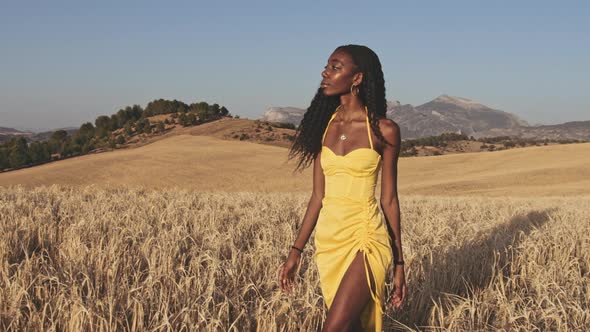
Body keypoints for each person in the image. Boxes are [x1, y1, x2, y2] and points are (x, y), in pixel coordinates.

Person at [278, 44, 407, 331]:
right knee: (351, 327)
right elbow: (317, 198)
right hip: (329, 241)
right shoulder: (323, 126)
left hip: (365, 237)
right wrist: (295, 251)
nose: (325, 72)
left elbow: (389, 201)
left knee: (333, 327)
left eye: (336, 67)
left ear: (357, 78)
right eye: (327, 66)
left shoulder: (384, 130)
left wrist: (399, 263)